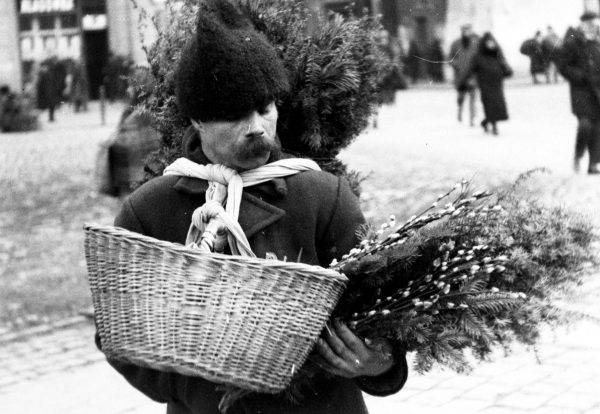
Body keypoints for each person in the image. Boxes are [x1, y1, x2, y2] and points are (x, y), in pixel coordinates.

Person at [95, 1, 409, 413]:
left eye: (265, 109)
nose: (257, 127)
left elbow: (384, 322)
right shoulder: (149, 211)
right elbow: (118, 333)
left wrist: (375, 361)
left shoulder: (323, 196)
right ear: (196, 121)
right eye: (236, 116)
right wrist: (200, 387)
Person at [557, 12, 600, 174]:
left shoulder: (597, 42)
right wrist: (579, 75)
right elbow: (563, 66)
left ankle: (593, 164)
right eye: (588, 23)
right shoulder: (572, 43)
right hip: (580, 91)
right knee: (585, 124)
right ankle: (578, 154)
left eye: (594, 24)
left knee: (597, 127)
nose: (592, 27)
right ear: (582, 25)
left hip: (597, 91)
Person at [464, 32, 512, 135]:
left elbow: (506, 69)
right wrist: (467, 80)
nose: (491, 44)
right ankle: (494, 126)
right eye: (488, 42)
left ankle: (485, 122)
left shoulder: (497, 55)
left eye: (492, 42)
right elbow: (471, 70)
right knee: (489, 105)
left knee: (498, 106)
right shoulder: (478, 57)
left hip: (497, 84)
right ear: (484, 43)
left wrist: (507, 70)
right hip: (485, 85)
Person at [449, 24, 479, 126]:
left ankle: (472, 119)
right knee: (461, 97)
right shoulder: (455, 43)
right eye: (465, 30)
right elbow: (450, 58)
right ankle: (460, 112)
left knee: (472, 97)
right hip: (460, 75)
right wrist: (456, 64)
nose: (467, 32)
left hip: (472, 75)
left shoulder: (476, 43)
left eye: (468, 30)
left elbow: (479, 57)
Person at [36, 58, 63, 122]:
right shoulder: (46, 73)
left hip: (49, 91)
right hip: (49, 91)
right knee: (51, 104)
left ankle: (51, 117)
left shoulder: (46, 74)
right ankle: (51, 117)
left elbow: (41, 84)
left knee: (51, 104)